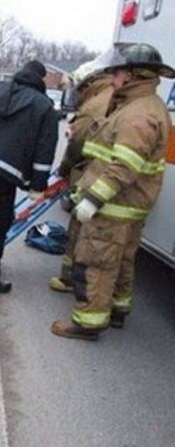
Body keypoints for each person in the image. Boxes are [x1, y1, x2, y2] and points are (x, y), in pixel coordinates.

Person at [51, 42, 174, 340]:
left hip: (114, 205)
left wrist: (92, 199)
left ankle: (87, 323)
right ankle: (118, 311)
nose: (112, 77)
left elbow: (124, 166)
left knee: (97, 263)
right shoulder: (141, 105)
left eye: (117, 72)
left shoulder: (137, 115)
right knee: (122, 261)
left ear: (132, 75)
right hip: (129, 206)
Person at [0, 60, 59, 293]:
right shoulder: (44, 106)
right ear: (41, 79)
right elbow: (44, 150)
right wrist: (38, 187)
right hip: (6, 175)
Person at [48, 62, 114, 293]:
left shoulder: (94, 104)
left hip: (89, 176)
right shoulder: (114, 97)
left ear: (86, 84)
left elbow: (77, 145)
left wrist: (64, 170)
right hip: (108, 180)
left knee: (78, 232)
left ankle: (69, 279)